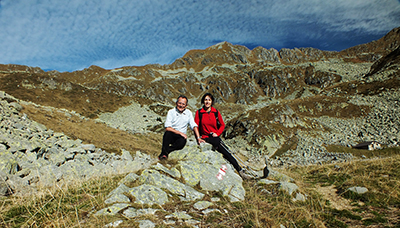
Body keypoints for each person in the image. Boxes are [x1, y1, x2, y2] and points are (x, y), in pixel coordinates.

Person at [195, 93, 252, 180]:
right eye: (206, 100)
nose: (207, 102)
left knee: (227, 153)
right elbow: (196, 126)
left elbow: (222, 125)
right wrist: (198, 138)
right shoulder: (199, 113)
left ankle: (240, 171)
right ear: (203, 101)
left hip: (215, 137)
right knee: (222, 147)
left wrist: (217, 133)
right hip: (205, 137)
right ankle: (241, 172)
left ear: (212, 101)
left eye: (209, 100)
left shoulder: (215, 112)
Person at [158, 95, 201, 160]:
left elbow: (193, 126)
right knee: (167, 134)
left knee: (182, 143)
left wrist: (198, 138)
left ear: (186, 105)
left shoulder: (188, 113)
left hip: (180, 138)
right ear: (176, 103)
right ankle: (164, 155)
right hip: (172, 134)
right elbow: (167, 127)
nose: (181, 105)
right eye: (179, 103)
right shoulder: (171, 112)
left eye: (183, 104)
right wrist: (180, 133)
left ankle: (166, 151)